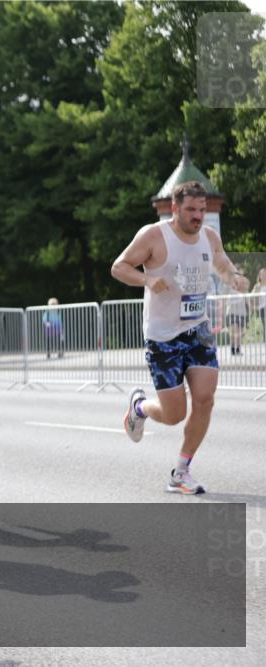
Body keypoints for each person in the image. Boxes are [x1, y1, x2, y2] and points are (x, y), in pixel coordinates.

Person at [112, 181, 249, 494]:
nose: (198, 216)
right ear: (174, 208)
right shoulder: (154, 236)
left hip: (198, 331)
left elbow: (223, 265)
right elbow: (119, 267)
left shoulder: (209, 237)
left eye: (202, 209)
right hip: (163, 338)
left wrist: (236, 279)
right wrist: (147, 279)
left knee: (205, 399)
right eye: (191, 209)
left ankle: (181, 471)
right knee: (175, 414)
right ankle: (141, 409)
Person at [224, 267, 248, 356]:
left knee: (240, 332)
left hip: (241, 312)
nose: (240, 277)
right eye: (238, 274)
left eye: (241, 275)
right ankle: (232, 349)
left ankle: (238, 349)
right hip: (232, 312)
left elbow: (246, 300)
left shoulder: (243, 287)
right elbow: (226, 298)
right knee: (234, 331)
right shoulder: (229, 286)